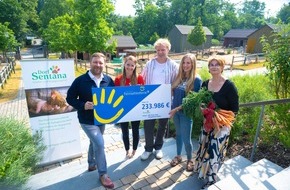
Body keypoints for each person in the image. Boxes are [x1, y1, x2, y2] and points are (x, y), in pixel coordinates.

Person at [66, 52, 115, 189]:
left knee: (94, 141)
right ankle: (103, 174)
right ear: (90, 62)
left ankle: (91, 163)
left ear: (104, 64)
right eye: (95, 62)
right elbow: (69, 98)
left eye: (100, 63)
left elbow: (115, 96)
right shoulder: (80, 81)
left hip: (102, 119)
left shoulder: (108, 80)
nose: (98, 65)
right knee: (99, 143)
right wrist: (83, 105)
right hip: (87, 120)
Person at [194, 56, 239, 189]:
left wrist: (222, 120)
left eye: (217, 64)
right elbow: (201, 101)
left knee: (214, 151)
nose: (214, 67)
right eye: (211, 65)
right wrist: (202, 109)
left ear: (222, 67)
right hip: (207, 123)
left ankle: (211, 179)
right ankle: (201, 170)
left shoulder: (229, 86)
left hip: (222, 124)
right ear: (208, 68)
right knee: (204, 146)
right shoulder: (205, 84)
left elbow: (235, 109)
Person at [141, 38, 178, 160]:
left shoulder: (173, 65)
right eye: (158, 50)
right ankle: (148, 149)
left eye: (163, 49)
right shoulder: (149, 64)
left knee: (163, 125)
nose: (160, 52)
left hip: (165, 100)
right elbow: (142, 79)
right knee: (148, 125)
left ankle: (158, 148)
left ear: (168, 49)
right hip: (150, 99)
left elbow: (176, 81)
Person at [168, 53, 202, 171]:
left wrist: (175, 109)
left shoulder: (196, 80)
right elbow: (173, 91)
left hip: (186, 114)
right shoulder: (179, 77)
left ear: (193, 64)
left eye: (188, 63)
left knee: (187, 139)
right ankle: (178, 156)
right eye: (184, 62)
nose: (185, 65)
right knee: (178, 135)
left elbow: (192, 102)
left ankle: (189, 159)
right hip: (175, 113)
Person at [114, 55, 145, 159]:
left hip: (135, 109)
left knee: (135, 130)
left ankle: (134, 149)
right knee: (125, 131)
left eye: (132, 65)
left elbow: (142, 94)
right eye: (128, 64)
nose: (130, 67)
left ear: (135, 66)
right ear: (124, 64)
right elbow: (115, 95)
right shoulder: (118, 79)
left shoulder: (139, 78)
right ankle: (127, 150)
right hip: (123, 110)